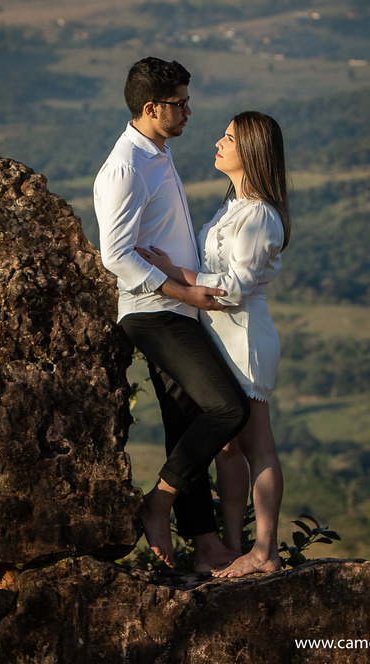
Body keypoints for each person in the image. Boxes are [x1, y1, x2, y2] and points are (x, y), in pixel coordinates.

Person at [93, 57, 251, 573]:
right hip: (152, 312)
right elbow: (115, 254)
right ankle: (157, 504)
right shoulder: (126, 166)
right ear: (150, 107)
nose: (189, 111)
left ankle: (204, 546)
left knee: (186, 423)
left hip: (174, 309)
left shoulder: (156, 152)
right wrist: (183, 294)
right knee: (229, 409)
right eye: (179, 103)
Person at [139, 110, 290, 578]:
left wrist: (173, 274)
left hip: (244, 337)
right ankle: (232, 546)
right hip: (218, 335)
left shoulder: (261, 213)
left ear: (253, 151)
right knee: (226, 448)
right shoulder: (232, 206)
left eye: (229, 138)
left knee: (257, 444)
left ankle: (264, 551)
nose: (218, 144)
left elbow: (236, 289)